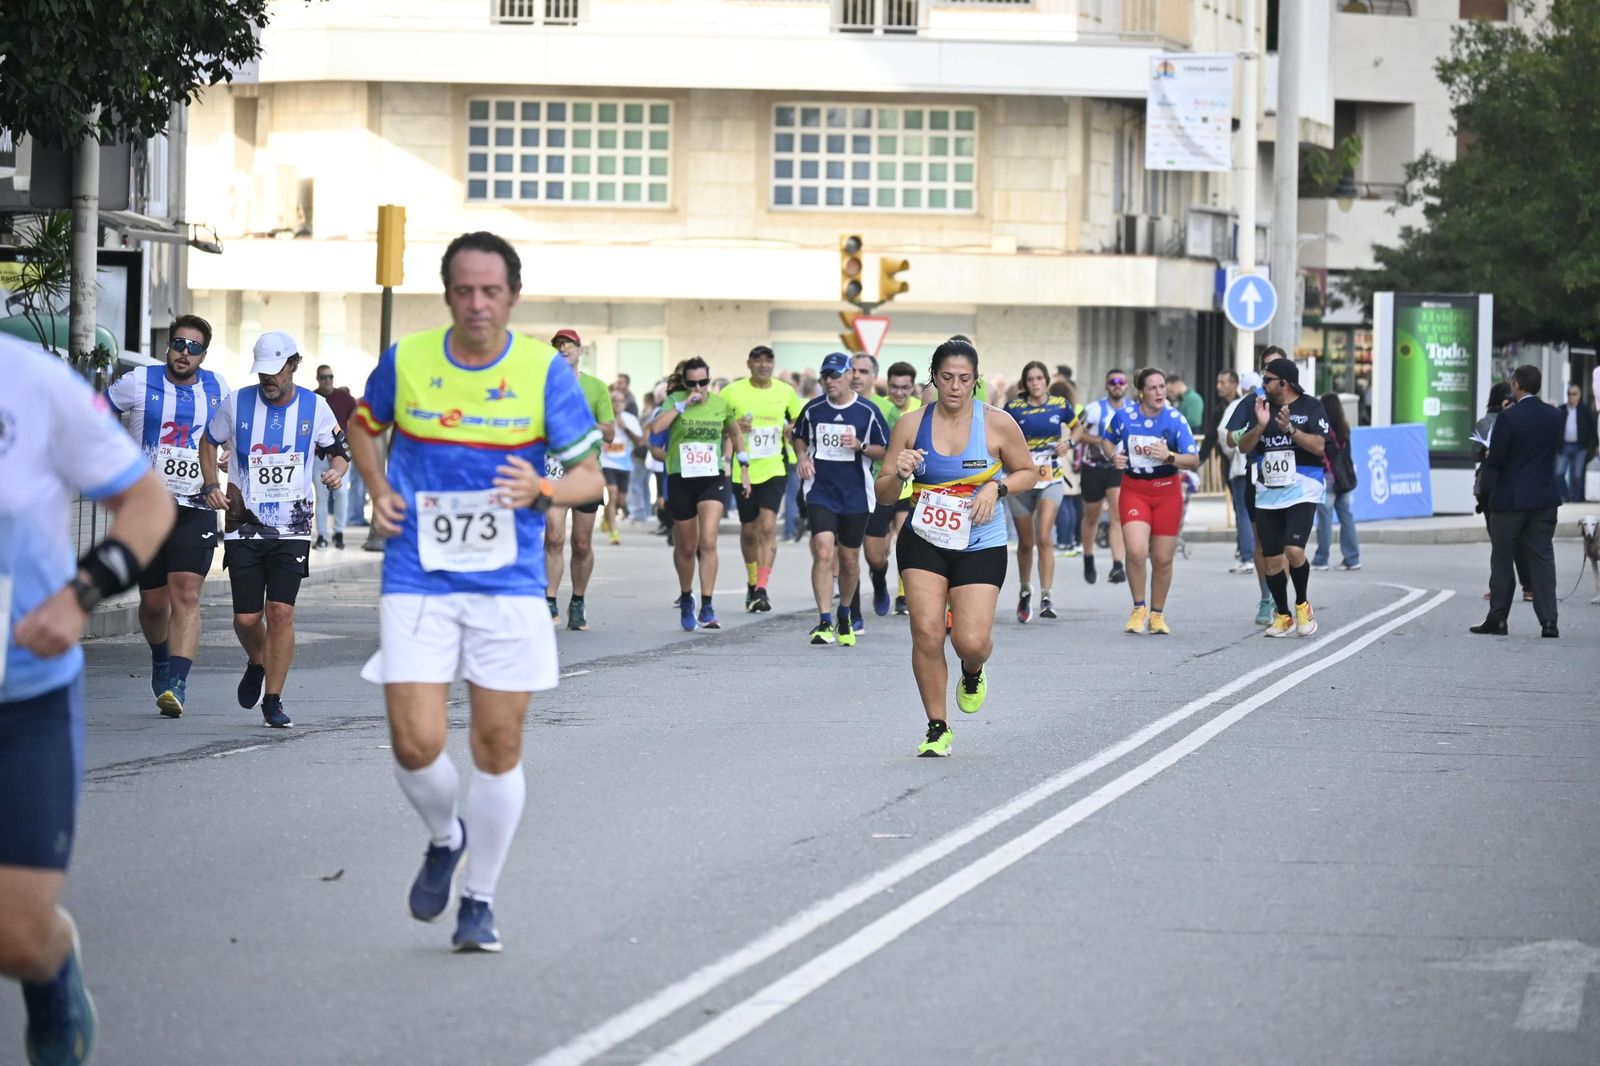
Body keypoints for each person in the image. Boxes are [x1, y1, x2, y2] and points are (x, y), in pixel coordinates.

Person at [348, 230, 604, 954]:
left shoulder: (542, 372)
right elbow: (364, 429)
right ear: (448, 294)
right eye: (464, 290)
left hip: (509, 584)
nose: (478, 304)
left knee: (496, 742)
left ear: (512, 297)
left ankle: (480, 900)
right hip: (417, 572)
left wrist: (545, 486)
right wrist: (376, 489)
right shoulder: (409, 361)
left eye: (492, 291)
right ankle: (444, 835)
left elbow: (592, 480)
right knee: (415, 739)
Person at [1, 334, 175, 1066]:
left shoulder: (30, 380)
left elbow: (145, 499)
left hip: (22, 690)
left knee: (14, 933)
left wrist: (81, 595)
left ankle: (51, 967)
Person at [877, 338, 1036, 757]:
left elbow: (1028, 473)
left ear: (976, 381)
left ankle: (972, 669)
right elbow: (884, 495)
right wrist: (900, 473)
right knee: (927, 631)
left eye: (965, 379)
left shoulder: (998, 423)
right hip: (925, 535)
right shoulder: (911, 425)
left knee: (970, 641)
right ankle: (936, 726)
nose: (955, 387)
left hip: (980, 538)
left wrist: (996, 487)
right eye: (947, 377)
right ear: (934, 378)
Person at [199, 331, 349, 728]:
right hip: (243, 525)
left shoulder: (316, 407)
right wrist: (212, 484)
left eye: (275, 371)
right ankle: (257, 659)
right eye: (262, 372)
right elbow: (208, 441)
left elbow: (339, 451)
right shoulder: (236, 403)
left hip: (293, 525)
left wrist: (335, 471)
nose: (268, 379)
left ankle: (274, 699)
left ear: (293, 366)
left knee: (280, 612)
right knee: (247, 620)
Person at [105, 313, 230, 718]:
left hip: (197, 505)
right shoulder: (139, 382)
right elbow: (96, 411)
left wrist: (229, 453)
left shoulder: (217, 388)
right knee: (154, 602)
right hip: (148, 508)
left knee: (187, 593)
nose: (184, 353)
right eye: (179, 344)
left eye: (194, 348)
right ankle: (161, 658)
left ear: (203, 355)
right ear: (168, 347)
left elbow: (232, 435)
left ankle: (177, 680)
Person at [792, 353, 889, 645]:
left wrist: (860, 446)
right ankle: (824, 620)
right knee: (823, 550)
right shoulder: (813, 409)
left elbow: (885, 449)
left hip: (856, 494)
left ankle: (845, 613)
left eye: (835, 375)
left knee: (848, 560)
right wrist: (801, 457)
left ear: (849, 375)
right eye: (825, 376)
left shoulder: (867, 411)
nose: (830, 381)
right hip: (820, 490)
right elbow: (799, 435)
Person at [650, 356, 749, 631]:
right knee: (685, 546)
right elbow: (656, 428)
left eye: (703, 382)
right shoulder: (675, 401)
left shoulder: (720, 404)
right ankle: (686, 597)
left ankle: (707, 604)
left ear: (709, 379)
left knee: (708, 541)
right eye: (692, 383)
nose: (698, 388)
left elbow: (735, 433)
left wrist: (742, 465)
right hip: (681, 477)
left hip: (711, 478)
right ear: (684, 382)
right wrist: (682, 406)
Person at [1099, 368, 1200, 634]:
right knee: (1135, 549)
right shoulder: (1125, 416)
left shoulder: (1175, 419)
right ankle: (1138, 608)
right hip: (1134, 489)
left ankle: (1157, 614)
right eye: (1153, 388)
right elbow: (1106, 441)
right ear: (1141, 392)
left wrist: (1169, 456)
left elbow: (1193, 459)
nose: (1159, 392)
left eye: (1162, 387)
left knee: (1163, 559)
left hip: (1167, 491)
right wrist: (1113, 457)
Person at [1235, 357, 1329, 638]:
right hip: (1268, 490)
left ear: (1284, 383)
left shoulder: (1311, 406)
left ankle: (1302, 605)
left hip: (1303, 486)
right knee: (1271, 559)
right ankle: (1283, 615)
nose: (1262, 384)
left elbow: (1319, 446)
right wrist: (1261, 426)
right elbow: (1243, 447)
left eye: (1267, 380)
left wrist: (1290, 430)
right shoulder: (1260, 406)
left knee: (1294, 550)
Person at [1472, 364, 1564, 638]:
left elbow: (1498, 459)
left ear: (1516, 386)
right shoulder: (1554, 416)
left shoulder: (1508, 418)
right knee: (1542, 558)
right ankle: (1549, 622)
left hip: (1510, 500)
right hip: (1544, 499)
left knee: (1502, 559)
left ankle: (1498, 619)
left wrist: (1490, 455)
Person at [720, 345, 802, 613]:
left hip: (774, 467)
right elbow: (717, 425)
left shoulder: (785, 391)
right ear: (749, 364)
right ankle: (752, 581)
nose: (764, 365)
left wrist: (793, 428)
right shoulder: (732, 392)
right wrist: (733, 428)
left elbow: (801, 422)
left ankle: (762, 588)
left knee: (767, 527)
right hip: (742, 471)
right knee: (749, 530)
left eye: (768, 361)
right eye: (758, 361)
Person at [543, 329, 614, 631]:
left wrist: (580, 426)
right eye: (558, 344)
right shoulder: (544, 385)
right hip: (553, 470)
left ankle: (578, 601)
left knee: (581, 543)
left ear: (579, 350)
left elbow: (609, 432)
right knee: (554, 536)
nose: (563, 349)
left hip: (585, 473)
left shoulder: (596, 387)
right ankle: (548, 602)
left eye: (568, 344)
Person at [1003, 361, 1078, 622]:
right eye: (1031, 379)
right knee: (1026, 542)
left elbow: (1078, 427)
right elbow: (998, 434)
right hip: (1021, 479)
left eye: (1039, 379)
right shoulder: (1013, 408)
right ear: (1025, 384)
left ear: (1046, 381)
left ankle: (1047, 596)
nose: (1035, 383)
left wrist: (1068, 442)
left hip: (1051, 478)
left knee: (1044, 536)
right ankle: (1025, 589)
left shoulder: (1060, 405)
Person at [1224, 347, 1292, 624]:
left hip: (1290, 480)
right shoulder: (1253, 400)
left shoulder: (1300, 401)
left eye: (1277, 367)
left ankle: (1281, 599)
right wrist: (1252, 430)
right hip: (1258, 475)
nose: (1272, 373)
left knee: (1288, 543)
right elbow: (1230, 439)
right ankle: (1266, 598)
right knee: (1263, 542)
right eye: (1267, 367)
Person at [867, 361, 923, 616]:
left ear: (913, 387)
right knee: (876, 555)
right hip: (882, 484)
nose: (900, 393)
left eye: (905, 388)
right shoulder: (879, 407)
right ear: (887, 386)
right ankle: (879, 580)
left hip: (910, 488)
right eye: (894, 387)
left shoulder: (922, 410)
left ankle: (903, 594)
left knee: (906, 540)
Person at [1471, 382, 1533, 603]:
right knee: (1508, 540)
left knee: (1506, 540)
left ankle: (1514, 586)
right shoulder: (1490, 422)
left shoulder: (1507, 420)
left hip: (1499, 487)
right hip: (1499, 486)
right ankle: (1520, 586)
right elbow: (1476, 452)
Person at [1077, 368, 1134, 585]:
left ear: (1127, 385)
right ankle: (1088, 556)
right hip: (1093, 466)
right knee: (1091, 516)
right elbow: (1077, 432)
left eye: (1121, 381)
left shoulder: (1132, 409)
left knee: (1117, 517)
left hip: (1118, 467)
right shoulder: (1094, 409)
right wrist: (1100, 440)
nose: (1117, 385)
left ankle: (1117, 564)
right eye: (1112, 382)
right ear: (1106, 385)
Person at [1312, 392, 1362, 571]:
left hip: (1328, 477)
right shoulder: (1344, 427)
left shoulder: (1322, 428)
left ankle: (1321, 559)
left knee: (1325, 518)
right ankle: (1352, 557)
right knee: (1346, 516)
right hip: (1344, 479)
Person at [1216, 371, 1259, 576]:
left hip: (1242, 466)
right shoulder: (1269, 403)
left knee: (1243, 512)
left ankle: (1247, 556)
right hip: (1263, 467)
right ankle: (1260, 552)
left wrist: (1233, 453)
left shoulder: (1237, 406)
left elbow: (1224, 435)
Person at [312, 364, 358, 550]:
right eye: (323, 377)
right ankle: (322, 535)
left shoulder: (345, 399)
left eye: (330, 377)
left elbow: (356, 425)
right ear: (318, 379)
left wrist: (352, 449)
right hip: (319, 456)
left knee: (342, 494)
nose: (327, 380)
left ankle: (339, 532)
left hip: (341, 455)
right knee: (321, 497)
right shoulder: (312, 398)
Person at [599, 387, 644, 546]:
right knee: (611, 493)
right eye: (613, 401)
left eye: (620, 401)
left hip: (624, 464)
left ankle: (607, 516)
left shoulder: (630, 419)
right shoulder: (603, 418)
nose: (617, 404)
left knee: (619, 500)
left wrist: (624, 428)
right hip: (606, 462)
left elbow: (640, 442)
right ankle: (614, 532)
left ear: (624, 404)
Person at [1558, 382, 1597, 503]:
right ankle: (1566, 496)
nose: (1571, 396)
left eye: (1574, 394)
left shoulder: (1585, 410)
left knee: (1577, 475)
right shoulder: (1561, 409)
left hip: (1580, 446)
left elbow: (1593, 427)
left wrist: (1595, 444)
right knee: (1558, 473)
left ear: (1579, 395)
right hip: (1563, 446)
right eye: (1569, 394)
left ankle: (1575, 499)